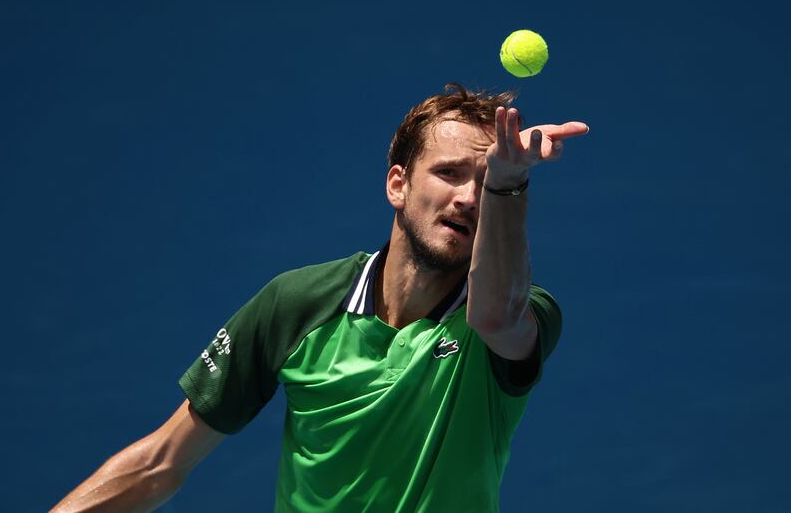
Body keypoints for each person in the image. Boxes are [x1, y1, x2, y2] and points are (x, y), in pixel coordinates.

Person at [52, 83, 589, 512]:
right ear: (398, 185)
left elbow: (496, 315)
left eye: (484, 180)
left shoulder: (518, 309)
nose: (469, 197)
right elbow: (160, 465)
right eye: (449, 173)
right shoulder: (297, 304)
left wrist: (509, 181)